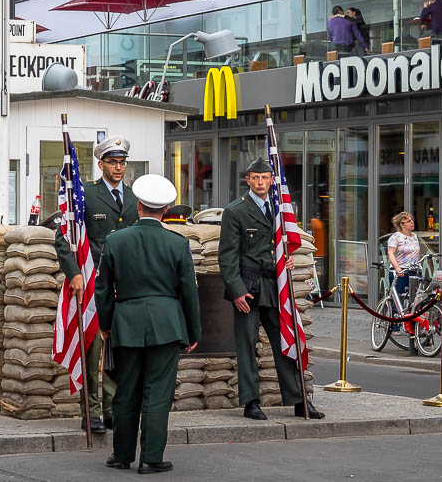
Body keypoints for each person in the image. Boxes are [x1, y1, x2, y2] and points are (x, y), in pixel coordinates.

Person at [96, 174, 200, 474]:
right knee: (158, 393)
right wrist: (193, 332)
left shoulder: (116, 240)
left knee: (126, 390)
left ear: (138, 206)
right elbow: (189, 293)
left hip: (126, 323)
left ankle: (122, 455)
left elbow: (102, 289)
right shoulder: (178, 243)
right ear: (165, 209)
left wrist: (106, 324)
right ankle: (151, 458)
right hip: (167, 324)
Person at [218, 158, 324, 421]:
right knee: (247, 345)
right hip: (249, 287)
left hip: (276, 286)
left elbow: (282, 242)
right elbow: (227, 256)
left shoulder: (279, 209)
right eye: (256, 178)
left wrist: (285, 257)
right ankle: (250, 402)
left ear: (271, 180)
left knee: (287, 342)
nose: (261, 182)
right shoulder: (236, 211)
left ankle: (299, 400)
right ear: (248, 180)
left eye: (265, 178)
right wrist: (236, 291)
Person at [53, 135, 138, 435]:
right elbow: (65, 237)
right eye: (113, 162)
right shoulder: (85, 194)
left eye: (122, 162)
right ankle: (90, 412)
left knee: (118, 348)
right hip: (92, 282)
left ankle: (114, 409)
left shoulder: (132, 197)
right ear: (101, 164)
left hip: (124, 283)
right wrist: (74, 272)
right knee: (91, 349)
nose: (118, 167)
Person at [387, 211, 420, 299]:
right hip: (401, 271)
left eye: (412, 220)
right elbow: (391, 253)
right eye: (409, 221)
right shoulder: (396, 237)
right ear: (402, 224)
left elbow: (416, 253)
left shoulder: (415, 236)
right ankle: (396, 313)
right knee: (399, 297)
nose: (412, 222)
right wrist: (397, 268)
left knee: (414, 298)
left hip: (414, 270)